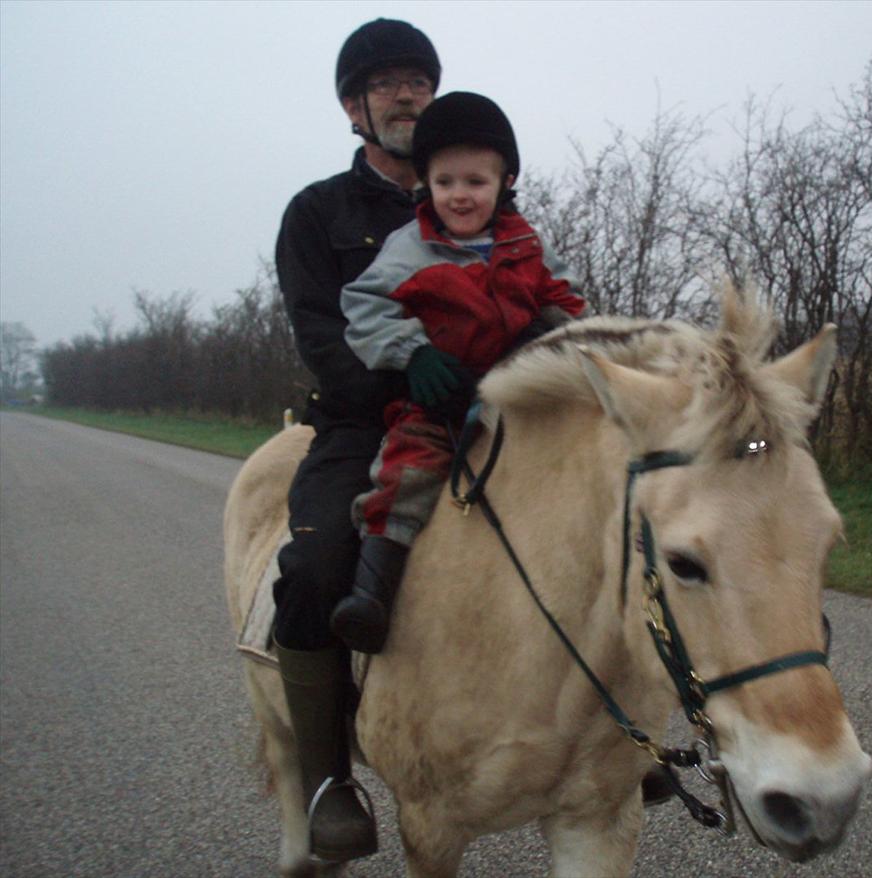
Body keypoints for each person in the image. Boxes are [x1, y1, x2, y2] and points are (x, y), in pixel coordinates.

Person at [329, 91, 587, 655]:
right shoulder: (411, 246)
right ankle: (372, 592)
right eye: (445, 182)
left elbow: (567, 301)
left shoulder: (525, 244)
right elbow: (364, 304)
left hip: (517, 394)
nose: (459, 196)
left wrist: (550, 333)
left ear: (505, 183)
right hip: (440, 397)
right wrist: (413, 354)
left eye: (475, 182)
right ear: (426, 184)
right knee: (406, 472)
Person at [271, 18, 440, 864]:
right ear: (354, 107)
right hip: (357, 423)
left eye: (418, 80)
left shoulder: (469, 192)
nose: (407, 94)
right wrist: (410, 383)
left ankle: (615, 740)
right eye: (387, 83)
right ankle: (329, 779)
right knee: (310, 571)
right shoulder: (315, 212)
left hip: (477, 416)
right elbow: (320, 332)